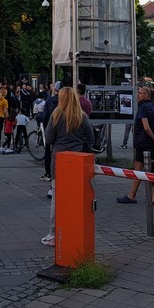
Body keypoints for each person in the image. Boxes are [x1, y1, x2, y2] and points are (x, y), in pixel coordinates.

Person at [41, 87, 93, 246]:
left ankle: (53, 233)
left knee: (57, 199)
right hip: (77, 160)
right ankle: (74, 230)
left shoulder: (56, 115)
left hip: (60, 161)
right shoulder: (81, 116)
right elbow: (91, 137)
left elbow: (49, 138)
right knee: (75, 198)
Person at [117, 86, 154, 205]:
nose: (138, 95)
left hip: (143, 143)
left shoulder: (143, 107)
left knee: (138, 169)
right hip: (153, 145)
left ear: (147, 95)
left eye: (140, 93)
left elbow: (146, 127)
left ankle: (131, 195)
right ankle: (153, 198)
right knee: (153, 170)